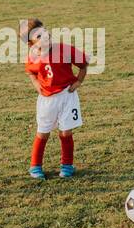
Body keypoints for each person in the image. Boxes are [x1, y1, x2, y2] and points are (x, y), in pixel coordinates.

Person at [21, 18, 88, 179]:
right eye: (38, 36)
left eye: (45, 31)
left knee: (65, 133)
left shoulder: (64, 50)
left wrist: (78, 81)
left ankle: (67, 165)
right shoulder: (32, 57)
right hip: (47, 100)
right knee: (42, 133)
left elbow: (84, 63)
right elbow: (31, 73)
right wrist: (37, 85)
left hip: (67, 96)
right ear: (31, 44)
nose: (44, 36)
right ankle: (35, 166)